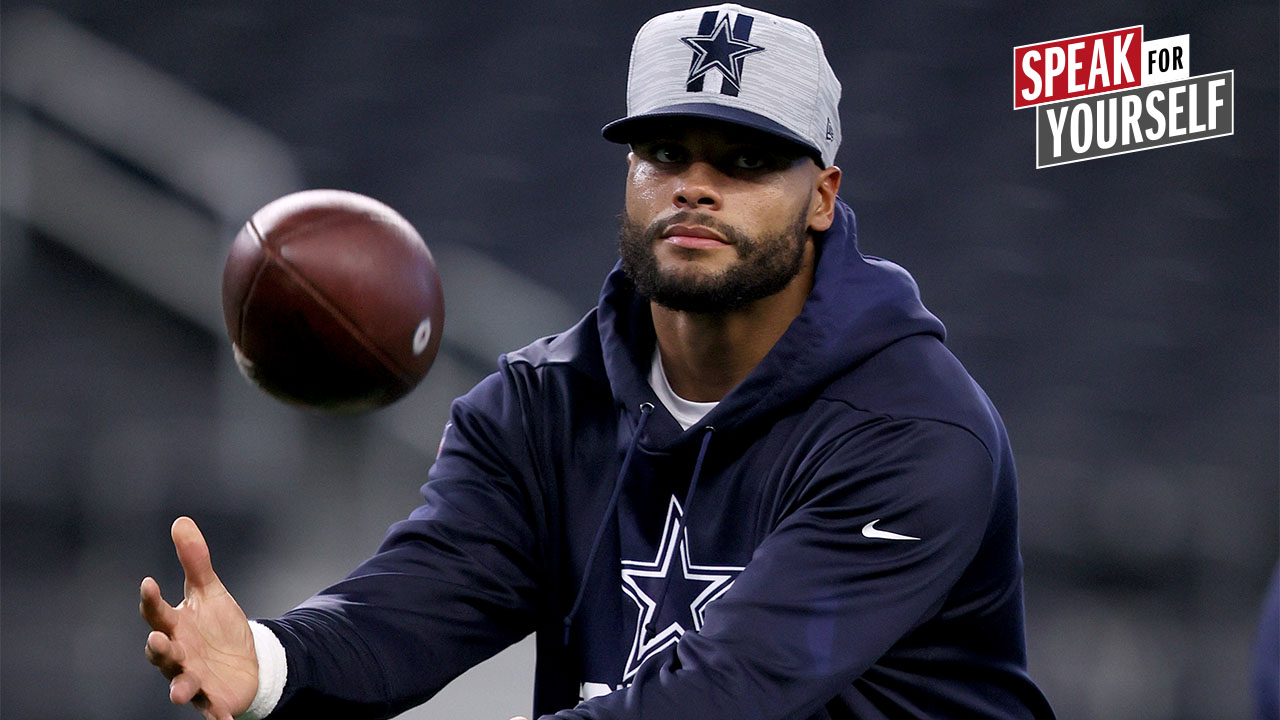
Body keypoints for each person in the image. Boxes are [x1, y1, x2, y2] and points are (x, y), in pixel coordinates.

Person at [141, 4, 1056, 719]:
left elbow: (741, 689)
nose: (695, 185)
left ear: (821, 197)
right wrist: (268, 662)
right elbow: (422, 602)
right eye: (665, 152)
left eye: (744, 159)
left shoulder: (913, 431)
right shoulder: (538, 408)